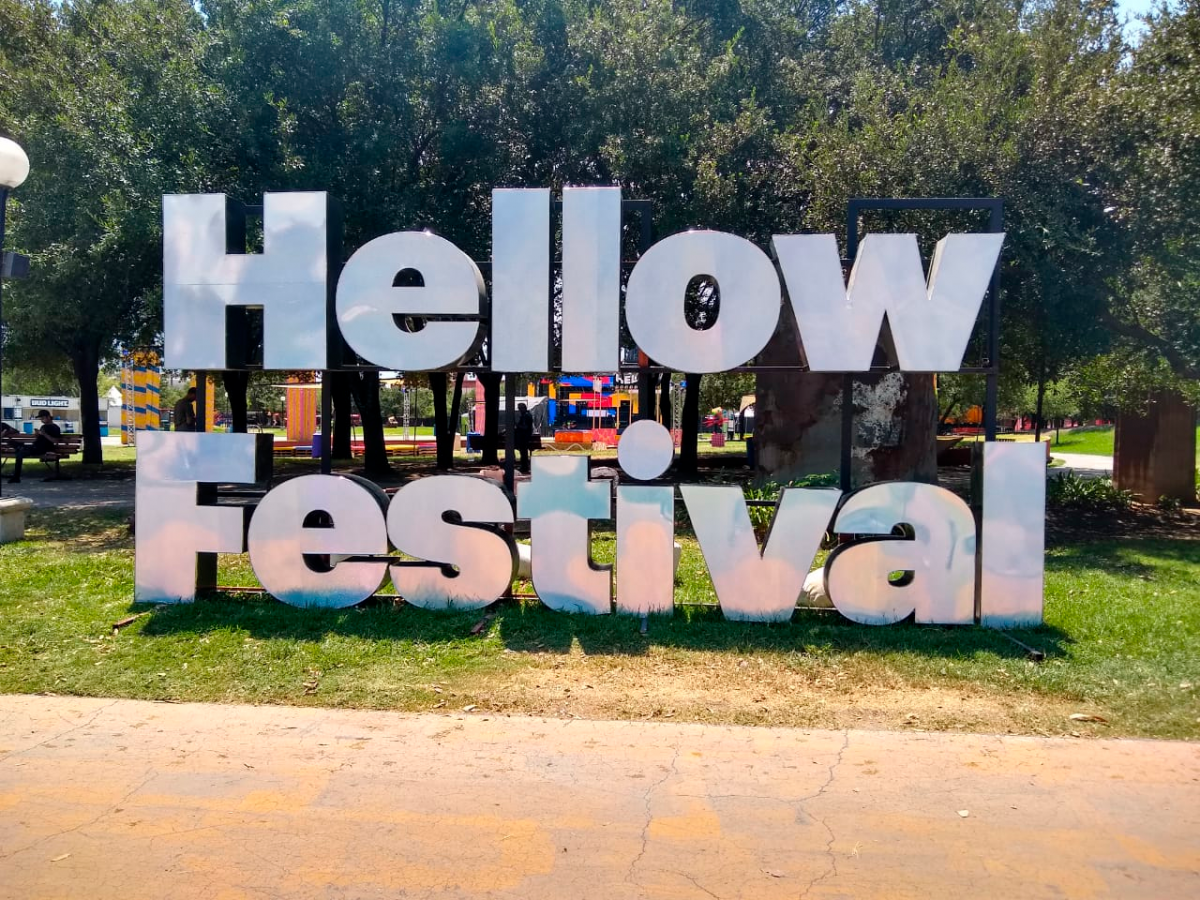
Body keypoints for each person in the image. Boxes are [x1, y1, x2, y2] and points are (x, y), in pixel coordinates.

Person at [8, 410, 62, 484]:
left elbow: (55, 441)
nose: (41, 420)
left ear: (48, 417)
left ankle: (16, 477)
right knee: (11, 442)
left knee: (19, 454)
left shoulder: (55, 427)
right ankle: (21, 448)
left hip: (42, 448)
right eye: (40, 419)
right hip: (35, 446)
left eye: (42, 418)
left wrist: (44, 434)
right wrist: (37, 434)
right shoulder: (43, 426)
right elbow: (39, 439)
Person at [514, 402, 534, 474]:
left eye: (520, 408)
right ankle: (524, 466)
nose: (519, 410)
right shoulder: (527, 415)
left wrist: (517, 425)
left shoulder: (525, 416)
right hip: (525, 436)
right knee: (523, 452)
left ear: (524, 408)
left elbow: (525, 427)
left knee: (523, 452)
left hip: (524, 437)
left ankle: (524, 466)